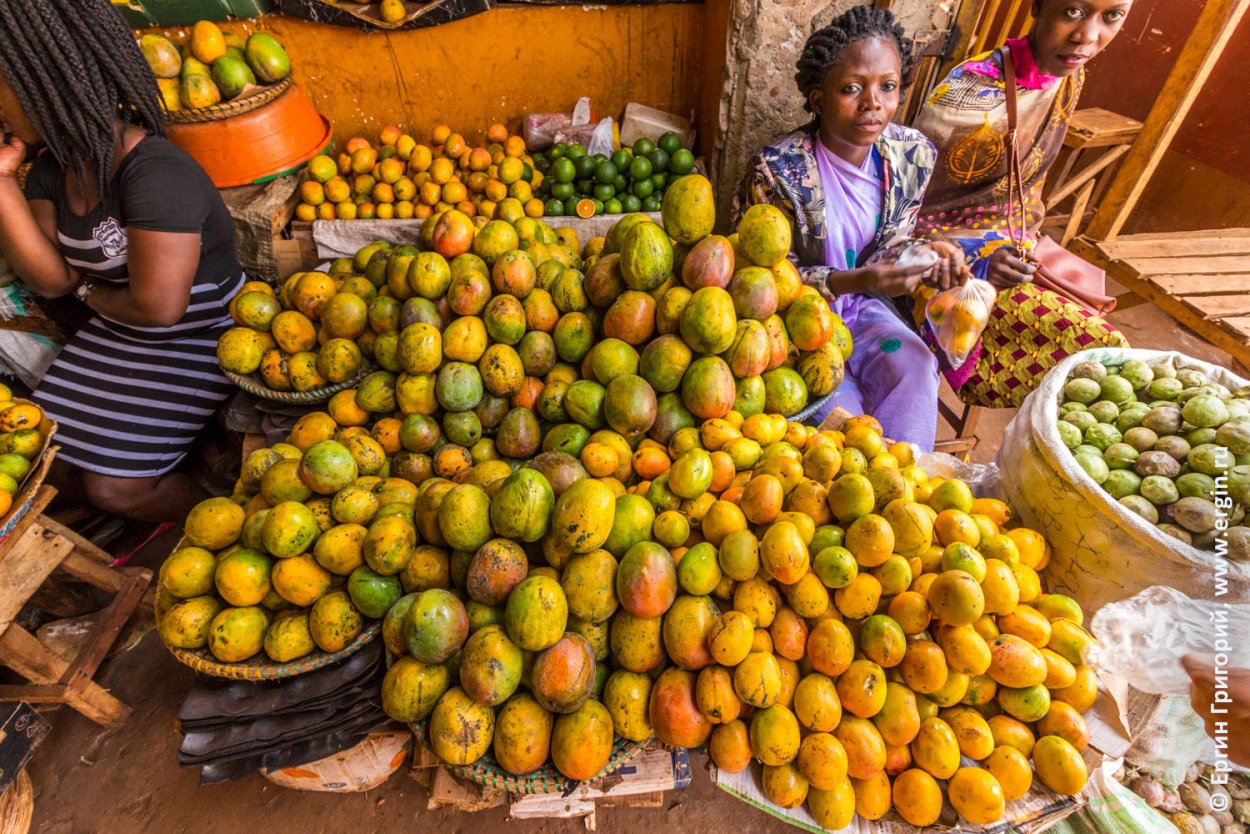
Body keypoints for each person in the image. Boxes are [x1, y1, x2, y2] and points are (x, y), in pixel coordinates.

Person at [0, 0, 243, 524]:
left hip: (200, 332)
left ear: (45, 86)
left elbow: (159, 308)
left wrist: (89, 293)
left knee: (114, 490)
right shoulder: (51, 170)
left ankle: (236, 521)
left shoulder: (154, 171)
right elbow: (53, 278)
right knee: (46, 461)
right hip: (119, 327)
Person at [733, 5, 963, 451]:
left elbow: (896, 240)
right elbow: (755, 279)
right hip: (799, 320)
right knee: (842, 417)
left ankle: (912, 489)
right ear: (819, 99)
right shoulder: (778, 171)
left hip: (868, 309)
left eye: (888, 87)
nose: (873, 102)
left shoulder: (912, 154)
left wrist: (929, 253)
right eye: (852, 88)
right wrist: (856, 280)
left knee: (915, 368)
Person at [913, 0, 1133, 408]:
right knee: (1101, 357)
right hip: (941, 271)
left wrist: (1021, 242)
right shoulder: (969, 94)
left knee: (1110, 365)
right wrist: (981, 258)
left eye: (1111, 16)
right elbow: (903, 215)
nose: (1087, 36)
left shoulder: (1067, 74)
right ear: (1039, 6)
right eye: (1072, 11)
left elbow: (1026, 190)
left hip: (1017, 250)